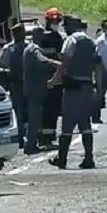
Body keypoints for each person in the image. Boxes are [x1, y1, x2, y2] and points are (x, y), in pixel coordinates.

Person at [48, 15, 96, 169]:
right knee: (85, 123)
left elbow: (65, 62)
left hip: (73, 86)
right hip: (88, 85)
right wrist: (100, 87)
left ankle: (62, 158)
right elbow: (98, 64)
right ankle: (89, 158)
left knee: (67, 123)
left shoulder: (71, 40)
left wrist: (54, 79)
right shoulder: (91, 42)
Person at [23, 27, 61, 154]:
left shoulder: (29, 48)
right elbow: (42, 60)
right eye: (42, 34)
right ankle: (31, 144)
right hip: (35, 88)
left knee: (35, 117)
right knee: (35, 118)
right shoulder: (35, 49)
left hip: (33, 87)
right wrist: (56, 63)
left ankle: (32, 143)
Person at [0, 24, 27, 148]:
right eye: (17, 32)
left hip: (29, 83)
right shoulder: (8, 49)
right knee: (18, 111)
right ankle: (20, 137)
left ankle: (31, 136)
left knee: (30, 111)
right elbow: (1, 65)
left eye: (21, 31)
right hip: (15, 84)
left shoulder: (29, 46)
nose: (20, 34)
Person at [40, 8, 65, 146]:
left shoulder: (58, 37)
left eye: (57, 21)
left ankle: (49, 136)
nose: (56, 23)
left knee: (54, 109)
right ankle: (44, 137)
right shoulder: (43, 37)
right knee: (47, 109)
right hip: (46, 78)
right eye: (54, 21)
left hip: (56, 78)